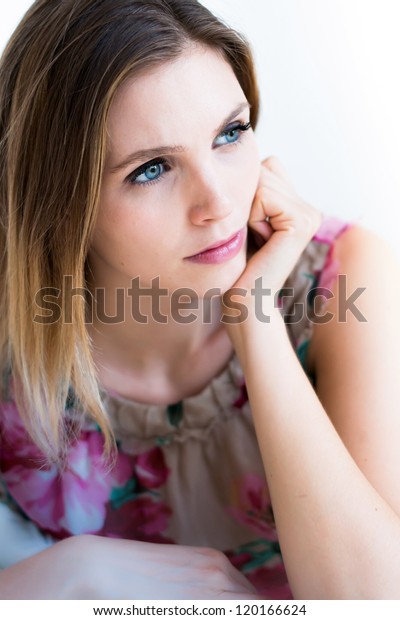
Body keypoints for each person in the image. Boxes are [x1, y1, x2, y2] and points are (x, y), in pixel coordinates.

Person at [0, 0, 399, 601]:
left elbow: (375, 602)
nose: (218, 202)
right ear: (60, 203)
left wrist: (256, 324)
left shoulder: (344, 279)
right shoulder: (14, 326)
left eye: (230, 133)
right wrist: (60, 578)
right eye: (152, 168)